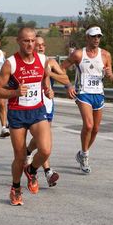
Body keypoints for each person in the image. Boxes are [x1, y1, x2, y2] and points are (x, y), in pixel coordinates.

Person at [0, 27, 54, 206]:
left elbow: (45, 79)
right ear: (18, 41)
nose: (30, 44)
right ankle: (16, 188)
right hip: (17, 113)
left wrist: (47, 90)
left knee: (45, 150)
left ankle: (32, 170)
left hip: (37, 110)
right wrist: (16, 92)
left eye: (33, 40)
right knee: (19, 157)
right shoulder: (10, 63)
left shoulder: (43, 60)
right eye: (26, 41)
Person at [60, 25, 113, 174]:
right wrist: (68, 85)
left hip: (98, 94)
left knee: (95, 129)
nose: (97, 39)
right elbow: (61, 68)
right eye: (93, 36)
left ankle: (82, 153)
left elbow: (111, 76)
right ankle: (85, 156)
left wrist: (110, 75)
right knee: (88, 125)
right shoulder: (78, 54)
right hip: (83, 93)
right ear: (87, 38)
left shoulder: (105, 55)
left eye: (99, 36)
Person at [25, 35, 72, 187]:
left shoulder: (49, 62)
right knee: (43, 139)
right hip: (32, 106)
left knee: (41, 139)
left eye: (43, 45)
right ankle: (48, 171)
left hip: (48, 105)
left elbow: (65, 78)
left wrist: (49, 73)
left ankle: (28, 151)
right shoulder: (26, 62)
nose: (40, 47)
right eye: (37, 44)